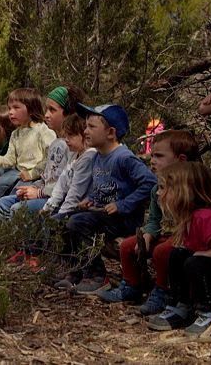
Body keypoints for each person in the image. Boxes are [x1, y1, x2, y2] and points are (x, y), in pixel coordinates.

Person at [55, 103, 156, 293]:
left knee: (78, 223)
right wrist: (92, 198)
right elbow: (102, 185)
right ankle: (75, 271)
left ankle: (97, 275)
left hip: (124, 219)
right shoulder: (97, 157)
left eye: (91, 127)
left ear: (110, 132)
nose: (85, 131)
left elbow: (150, 183)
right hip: (102, 215)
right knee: (62, 221)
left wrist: (123, 204)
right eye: (86, 126)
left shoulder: (123, 157)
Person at [98, 130, 198, 315]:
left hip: (185, 237)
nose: (152, 161)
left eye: (159, 156)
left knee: (162, 252)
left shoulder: (190, 189)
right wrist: (148, 234)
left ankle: (164, 290)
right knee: (128, 246)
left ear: (181, 159)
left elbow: (196, 220)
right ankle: (132, 285)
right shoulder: (157, 189)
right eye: (152, 155)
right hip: (164, 233)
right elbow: (154, 219)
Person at [148, 162, 211, 337]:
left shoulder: (206, 217)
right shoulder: (189, 217)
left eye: (162, 188)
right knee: (177, 254)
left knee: (194, 261)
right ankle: (182, 304)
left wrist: (201, 254)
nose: (158, 193)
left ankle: (210, 311)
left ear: (184, 192)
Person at [0, 85, 84, 216]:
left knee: (18, 209)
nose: (46, 115)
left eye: (52, 110)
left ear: (69, 113)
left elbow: (66, 184)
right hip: (44, 192)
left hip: (57, 200)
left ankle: (24, 236)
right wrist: (33, 187)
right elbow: (48, 176)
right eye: (46, 109)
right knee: (3, 203)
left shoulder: (72, 145)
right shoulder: (55, 142)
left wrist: (38, 193)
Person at [0, 88, 56, 213]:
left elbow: (49, 160)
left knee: (16, 195)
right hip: (17, 172)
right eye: (10, 108)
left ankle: (9, 223)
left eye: (16, 108)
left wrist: (32, 173)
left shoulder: (44, 132)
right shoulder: (15, 134)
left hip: (35, 177)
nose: (11, 112)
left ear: (31, 109)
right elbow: (10, 159)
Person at [40, 114, 96, 218]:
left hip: (80, 209)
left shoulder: (88, 158)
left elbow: (75, 194)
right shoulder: (75, 154)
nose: (66, 139)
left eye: (70, 135)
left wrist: (60, 217)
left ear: (84, 135)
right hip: (66, 204)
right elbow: (61, 185)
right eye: (65, 136)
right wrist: (47, 209)